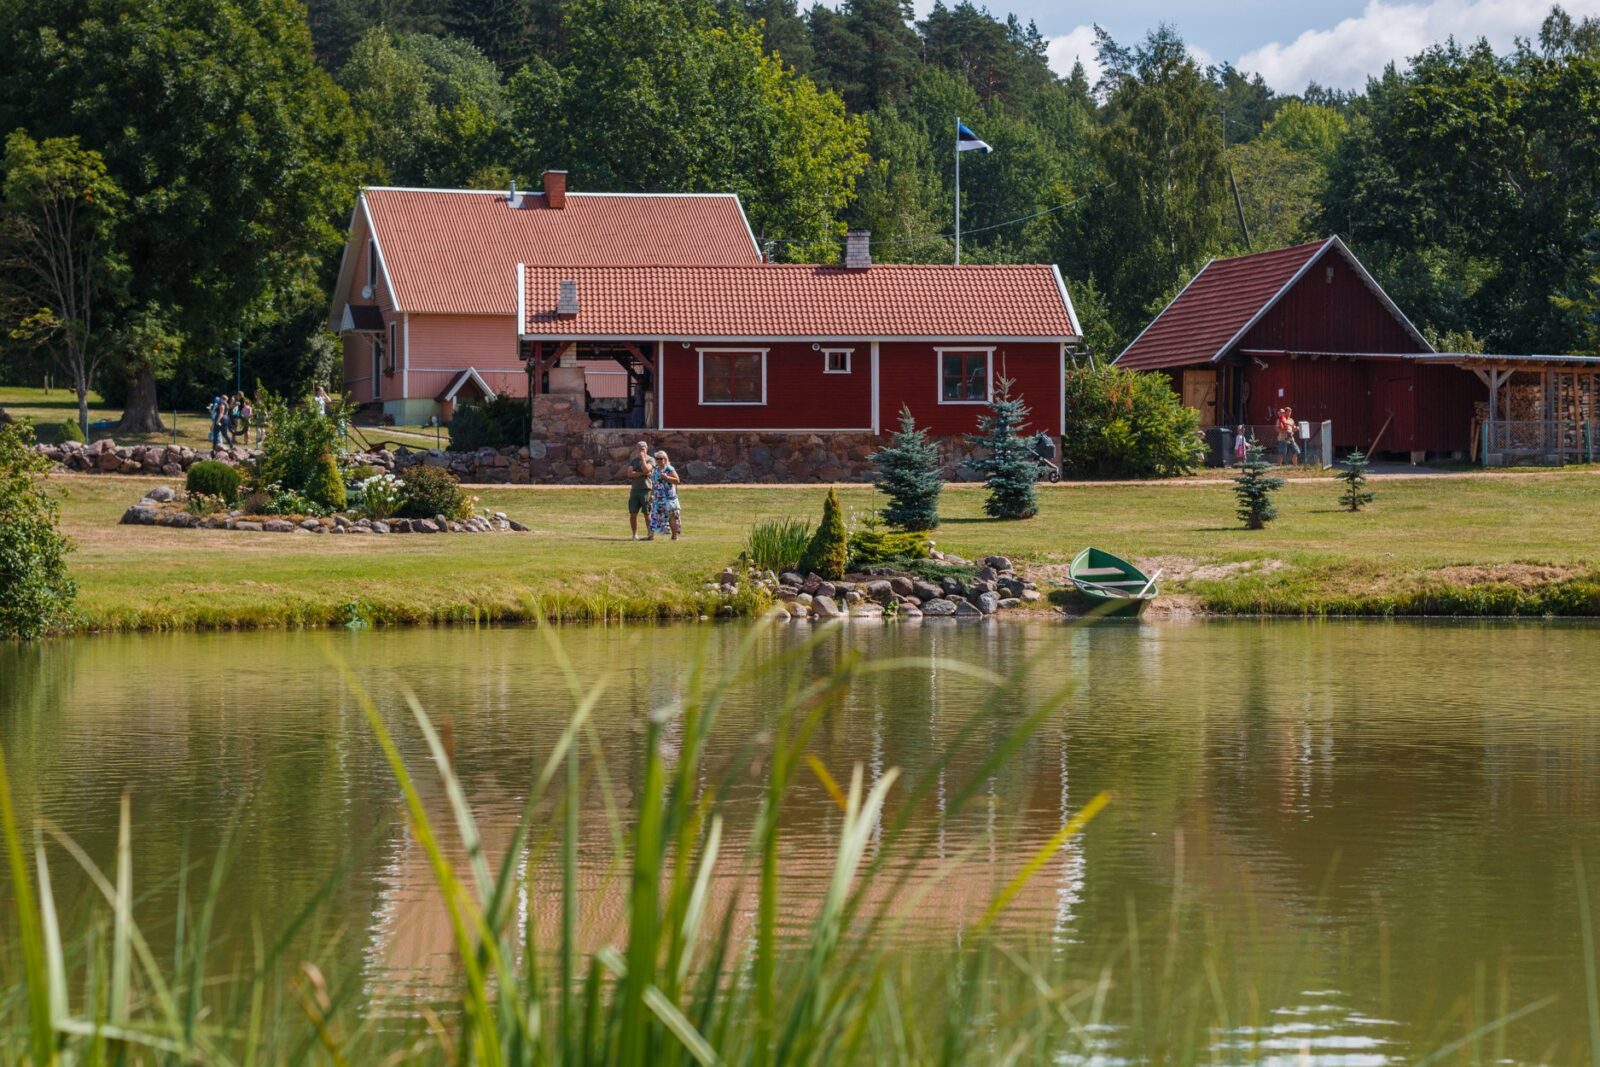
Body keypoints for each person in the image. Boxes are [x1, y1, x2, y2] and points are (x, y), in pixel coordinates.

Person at [649, 449, 681, 541]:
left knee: (672, 516)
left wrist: (667, 477)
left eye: (661, 459)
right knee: (654, 516)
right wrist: (652, 494)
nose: (659, 461)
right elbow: (654, 483)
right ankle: (650, 536)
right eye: (657, 459)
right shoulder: (655, 470)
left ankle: (674, 536)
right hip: (658, 497)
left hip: (668, 498)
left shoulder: (669, 469)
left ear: (665, 459)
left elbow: (677, 481)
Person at [624, 440, 652, 539]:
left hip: (646, 489)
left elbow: (647, 469)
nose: (641, 451)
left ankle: (650, 534)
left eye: (643, 449)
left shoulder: (650, 460)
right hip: (635, 490)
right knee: (633, 512)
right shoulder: (634, 461)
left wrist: (643, 459)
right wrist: (642, 474)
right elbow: (630, 474)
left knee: (647, 513)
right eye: (639, 449)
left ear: (646, 449)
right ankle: (634, 534)